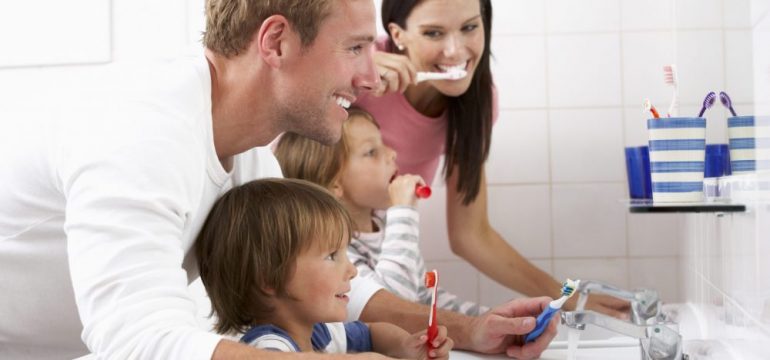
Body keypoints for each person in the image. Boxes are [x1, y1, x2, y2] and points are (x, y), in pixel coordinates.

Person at [0, 0, 381, 358]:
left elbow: (319, 271)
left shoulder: (248, 152)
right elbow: (138, 340)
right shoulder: (140, 132)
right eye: (354, 48)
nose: (373, 79)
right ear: (276, 42)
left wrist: (434, 326)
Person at [355, 0, 630, 317]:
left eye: (470, 27)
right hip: (317, 246)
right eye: (434, 33)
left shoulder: (478, 100)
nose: (456, 51)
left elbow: (470, 235)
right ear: (398, 35)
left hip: (381, 256)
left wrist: (567, 297)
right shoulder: (359, 67)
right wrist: (350, 72)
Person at [195, 178, 453, 359]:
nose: (352, 270)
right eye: (332, 256)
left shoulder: (319, 332)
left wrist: (407, 345)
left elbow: (372, 332)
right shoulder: (268, 346)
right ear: (270, 278)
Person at [275, 107, 488, 316]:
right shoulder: (334, 247)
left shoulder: (385, 225)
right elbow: (396, 307)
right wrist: (403, 212)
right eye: (371, 152)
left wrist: (487, 318)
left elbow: (424, 297)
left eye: (383, 144)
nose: (391, 153)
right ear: (335, 183)